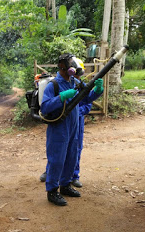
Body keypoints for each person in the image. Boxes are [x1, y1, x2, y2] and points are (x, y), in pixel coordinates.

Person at [40, 54, 103, 206]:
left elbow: (85, 99)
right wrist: (61, 97)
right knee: (57, 159)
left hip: (74, 126)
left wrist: (97, 90)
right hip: (59, 128)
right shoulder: (53, 85)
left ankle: (66, 185)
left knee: (72, 157)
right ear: (63, 67)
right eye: (70, 66)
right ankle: (52, 191)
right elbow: (45, 107)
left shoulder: (75, 82)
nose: (73, 69)